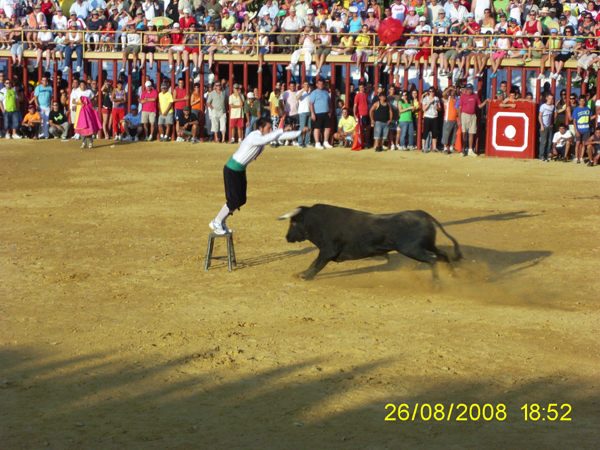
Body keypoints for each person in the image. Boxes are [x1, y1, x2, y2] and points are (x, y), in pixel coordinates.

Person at [209, 118, 301, 235]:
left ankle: (221, 221)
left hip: (240, 170)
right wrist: (282, 130)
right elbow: (270, 137)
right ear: (261, 128)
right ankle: (216, 221)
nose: (271, 130)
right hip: (232, 169)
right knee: (233, 200)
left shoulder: (262, 136)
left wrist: (299, 133)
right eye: (269, 128)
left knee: (241, 200)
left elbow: (277, 137)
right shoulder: (255, 136)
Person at [457, 83, 490, 156]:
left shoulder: (475, 96)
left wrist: (485, 101)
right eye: (468, 89)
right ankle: (463, 149)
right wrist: (459, 119)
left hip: (472, 115)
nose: (469, 91)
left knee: (471, 133)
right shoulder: (463, 96)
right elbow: (460, 108)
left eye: (470, 89)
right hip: (464, 115)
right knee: (464, 133)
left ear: (472, 89)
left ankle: (470, 149)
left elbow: (480, 106)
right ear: (466, 90)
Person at [309, 78, 333, 150]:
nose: (320, 85)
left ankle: (325, 142)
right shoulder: (314, 93)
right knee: (317, 128)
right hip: (317, 113)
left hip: (326, 112)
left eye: (322, 84)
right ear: (316, 84)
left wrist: (330, 109)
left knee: (328, 128)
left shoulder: (326, 92)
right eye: (319, 83)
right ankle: (317, 143)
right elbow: (311, 104)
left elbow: (329, 101)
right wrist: (312, 113)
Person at [571, 95, 593, 164]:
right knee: (577, 144)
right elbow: (574, 121)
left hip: (586, 129)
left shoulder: (587, 109)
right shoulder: (576, 110)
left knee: (584, 144)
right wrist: (576, 130)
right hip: (579, 129)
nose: (582, 102)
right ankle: (576, 157)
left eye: (584, 101)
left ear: (585, 101)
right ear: (579, 101)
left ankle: (581, 158)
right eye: (581, 101)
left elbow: (590, 118)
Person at [421, 87, 441, 153]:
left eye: (432, 91)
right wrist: (429, 102)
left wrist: (438, 108)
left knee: (434, 133)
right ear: (428, 92)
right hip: (427, 116)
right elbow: (423, 109)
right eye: (430, 91)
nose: (431, 92)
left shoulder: (437, 99)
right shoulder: (425, 99)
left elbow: (440, 108)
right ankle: (423, 147)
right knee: (425, 132)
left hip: (435, 116)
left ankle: (434, 147)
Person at [538, 93, 556, 162]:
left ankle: (547, 155)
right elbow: (540, 116)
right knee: (543, 142)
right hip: (544, 126)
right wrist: (542, 125)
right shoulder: (543, 106)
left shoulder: (552, 107)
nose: (551, 100)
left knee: (549, 142)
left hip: (550, 126)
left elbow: (555, 113)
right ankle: (541, 156)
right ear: (547, 98)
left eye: (552, 98)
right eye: (550, 98)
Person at [441, 86, 459, 154]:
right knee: (446, 134)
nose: (453, 91)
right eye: (452, 90)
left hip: (455, 119)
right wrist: (449, 88)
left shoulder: (456, 98)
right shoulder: (448, 98)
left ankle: (452, 147)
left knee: (454, 134)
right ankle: (445, 148)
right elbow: (443, 94)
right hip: (448, 119)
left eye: (453, 90)